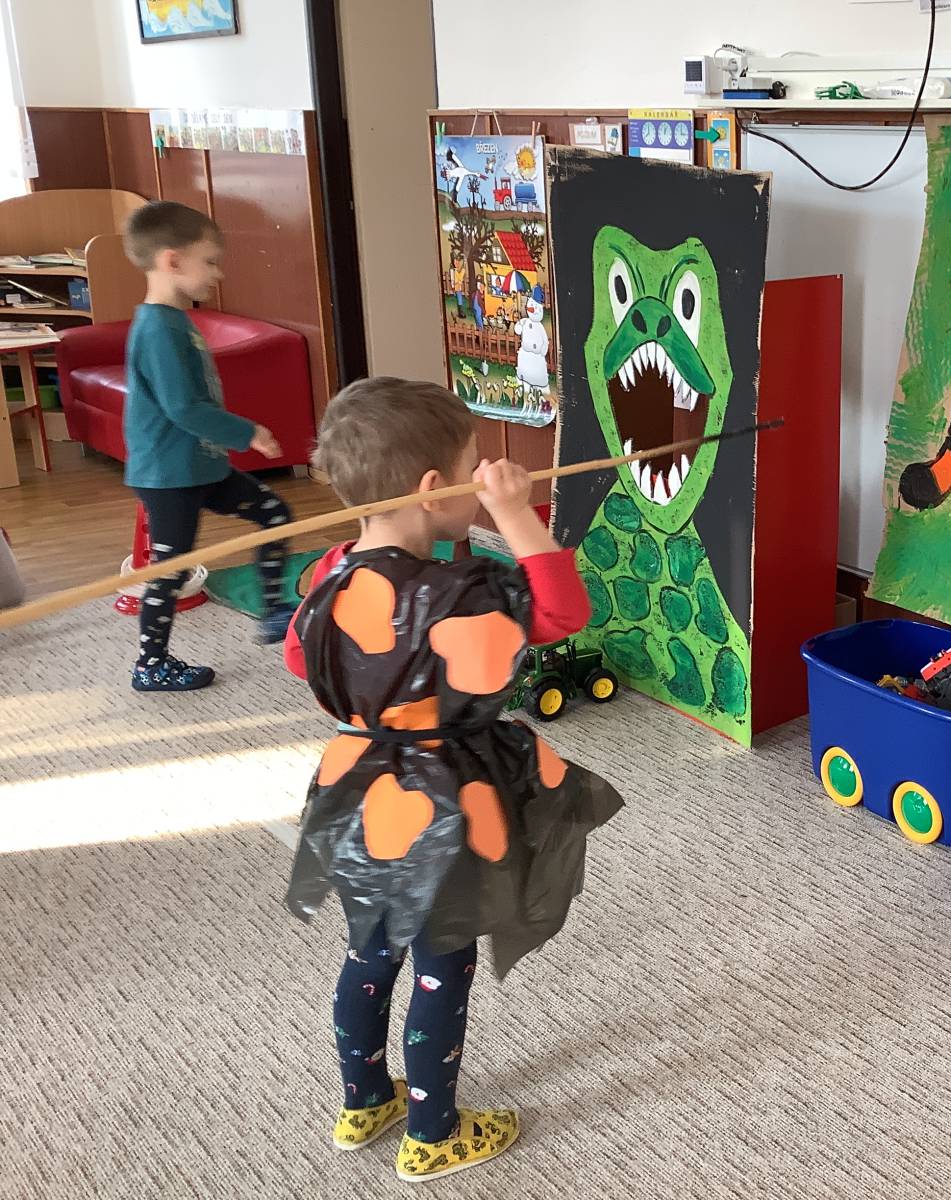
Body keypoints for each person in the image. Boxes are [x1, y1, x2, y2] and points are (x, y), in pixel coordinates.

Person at [282, 376, 622, 1183]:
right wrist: (516, 515)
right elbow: (561, 613)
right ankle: (433, 1132)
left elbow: (300, 658)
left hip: (357, 793)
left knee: (369, 951)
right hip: (442, 805)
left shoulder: (328, 574)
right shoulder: (455, 596)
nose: (486, 477)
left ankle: (364, 1100)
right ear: (436, 491)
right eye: (477, 468)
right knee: (443, 962)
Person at [121, 200, 296, 692]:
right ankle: (150, 664)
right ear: (173, 261)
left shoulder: (176, 321)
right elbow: (182, 407)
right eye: (211, 261)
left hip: (201, 467)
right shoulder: (158, 328)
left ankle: (275, 610)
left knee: (274, 513)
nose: (218, 274)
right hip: (168, 476)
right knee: (170, 571)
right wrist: (247, 432)